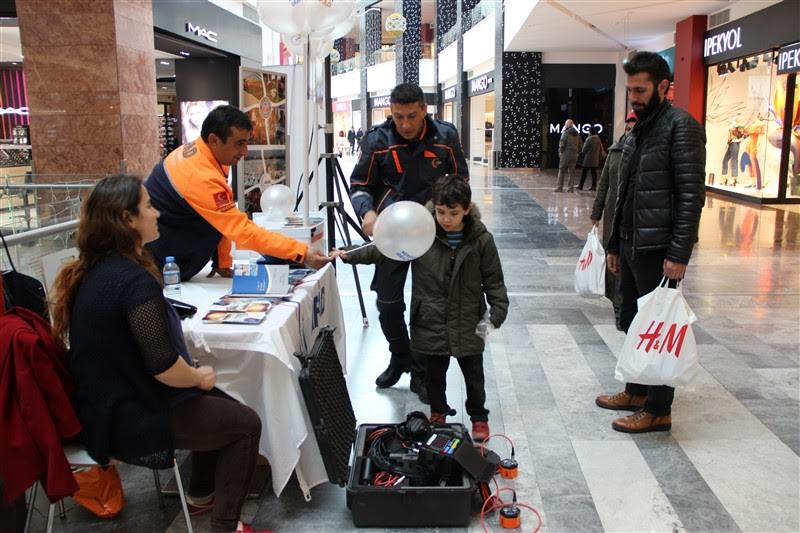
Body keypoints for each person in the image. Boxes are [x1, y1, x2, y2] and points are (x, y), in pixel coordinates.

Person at [50, 174, 269, 533]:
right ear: (127, 219)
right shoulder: (133, 282)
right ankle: (226, 527)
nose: (157, 214)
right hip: (127, 416)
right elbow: (164, 366)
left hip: (108, 402)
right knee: (245, 425)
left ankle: (200, 494)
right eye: (149, 206)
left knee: (222, 402)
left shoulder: (99, 270)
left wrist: (196, 378)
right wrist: (196, 375)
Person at [333, 175, 508, 442]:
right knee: (433, 375)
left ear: (467, 210)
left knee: (474, 375)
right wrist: (348, 254)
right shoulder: (421, 232)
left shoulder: (481, 240)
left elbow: (494, 281)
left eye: (453, 213)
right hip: (430, 319)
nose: (446, 219)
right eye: (440, 212)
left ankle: (479, 417)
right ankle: (438, 412)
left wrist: (495, 315)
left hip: (467, 321)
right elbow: (383, 250)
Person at [597, 51, 705, 433]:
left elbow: (691, 196)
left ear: (663, 87)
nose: (634, 97)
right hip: (630, 243)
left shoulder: (681, 126)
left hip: (658, 249)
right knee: (633, 321)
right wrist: (613, 243)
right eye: (631, 90)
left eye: (641, 90)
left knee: (657, 328)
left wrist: (678, 254)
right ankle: (637, 391)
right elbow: (622, 191)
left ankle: (659, 409)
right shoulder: (639, 128)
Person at [349, 83, 469, 403]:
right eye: (398, 116)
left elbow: (461, 181)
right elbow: (360, 185)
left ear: (424, 110)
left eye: (412, 116)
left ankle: (420, 372)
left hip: (433, 234)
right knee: (387, 302)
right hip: (391, 235)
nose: (405, 124)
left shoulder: (446, 137)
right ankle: (399, 356)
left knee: (427, 308)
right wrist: (368, 212)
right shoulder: (376, 140)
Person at [146, 105, 330, 280]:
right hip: (160, 267)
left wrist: (223, 262)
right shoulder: (200, 176)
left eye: (246, 143)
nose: (245, 151)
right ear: (214, 140)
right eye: (239, 144)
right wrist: (301, 251)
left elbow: (220, 221)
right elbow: (242, 231)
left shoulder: (201, 153)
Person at [590, 111, 637, 329]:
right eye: (627, 128)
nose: (629, 133)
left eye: (633, 128)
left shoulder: (646, 152)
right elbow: (604, 184)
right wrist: (596, 213)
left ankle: (630, 305)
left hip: (637, 218)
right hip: (613, 216)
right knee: (614, 260)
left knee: (632, 263)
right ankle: (618, 306)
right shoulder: (615, 152)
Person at [554, 119, 582, 192]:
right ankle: (570, 188)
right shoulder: (577, 134)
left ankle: (559, 187)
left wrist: (561, 152)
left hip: (566, 154)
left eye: (565, 124)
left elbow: (562, 144)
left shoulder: (565, 133)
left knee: (561, 170)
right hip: (574, 154)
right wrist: (577, 152)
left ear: (567, 125)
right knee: (572, 172)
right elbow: (580, 145)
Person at [577, 126, 606, 191]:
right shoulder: (598, 139)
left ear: (590, 131)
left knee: (584, 173)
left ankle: (580, 185)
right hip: (595, 160)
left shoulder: (589, 139)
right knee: (594, 174)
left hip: (587, 159)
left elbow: (584, 150)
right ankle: (594, 186)